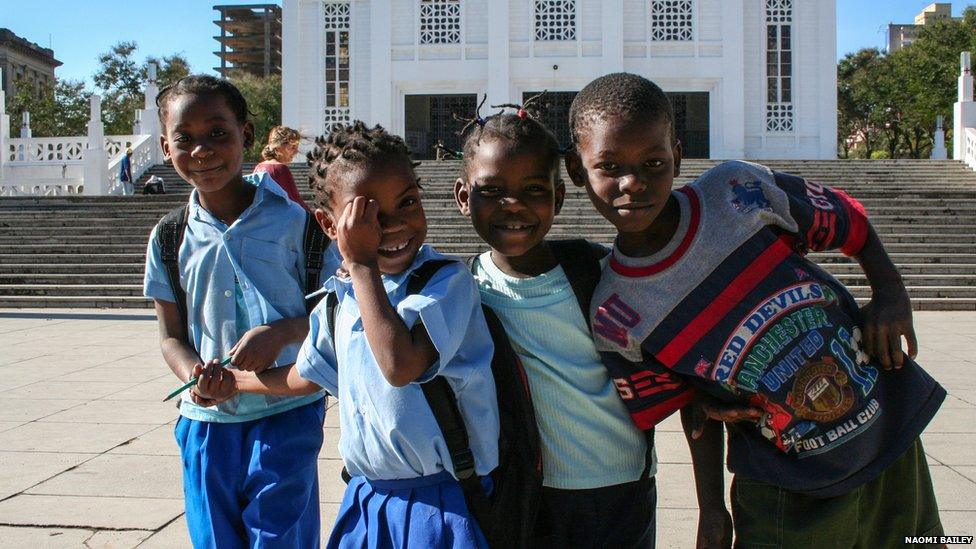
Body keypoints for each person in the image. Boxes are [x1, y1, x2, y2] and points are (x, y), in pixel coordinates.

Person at [565, 72, 946, 547]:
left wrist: (890, 292)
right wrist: (710, 510)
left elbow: (850, 223)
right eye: (609, 166)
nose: (633, 183)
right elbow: (692, 408)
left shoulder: (736, 192)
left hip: (887, 433)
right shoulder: (616, 313)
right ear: (577, 171)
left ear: (678, 156)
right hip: (783, 482)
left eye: (654, 162)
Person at [230, 121, 500, 549]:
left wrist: (360, 266)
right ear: (329, 225)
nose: (392, 226)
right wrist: (232, 383)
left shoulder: (444, 282)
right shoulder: (340, 298)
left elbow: (400, 365)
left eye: (408, 202)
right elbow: (306, 376)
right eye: (367, 215)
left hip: (442, 502)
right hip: (368, 499)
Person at [452, 96, 695, 548]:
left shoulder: (599, 274)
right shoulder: (462, 292)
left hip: (623, 489)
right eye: (492, 190)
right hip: (528, 493)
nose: (513, 205)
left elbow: (684, 354)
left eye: (534, 190)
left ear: (559, 196)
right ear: (464, 197)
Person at [143, 75, 336, 548]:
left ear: (246, 135)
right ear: (166, 149)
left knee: (280, 538)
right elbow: (170, 336)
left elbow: (335, 313)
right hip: (207, 425)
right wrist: (195, 374)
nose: (202, 151)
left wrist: (280, 332)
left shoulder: (300, 225)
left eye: (217, 134)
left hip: (286, 410)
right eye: (184, 140)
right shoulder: (168, 238)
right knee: (214, 539)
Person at [253, 125, 308, 209]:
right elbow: (296, 201)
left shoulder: (259, 167)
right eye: (292, 147)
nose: (296, 152)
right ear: (278, 147)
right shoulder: (280, 169)